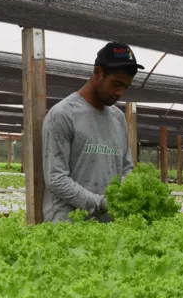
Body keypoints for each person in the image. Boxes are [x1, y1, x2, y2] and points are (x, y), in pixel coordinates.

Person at [42, 42, 141, 222]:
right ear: (98, 73)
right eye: (116, 84)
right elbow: (56, 178)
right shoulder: (63, 115)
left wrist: (130, 193)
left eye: (126, 87)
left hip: (108, 226)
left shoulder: (118, 118)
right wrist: (101, 204)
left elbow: (126, 168)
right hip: (69, 227)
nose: (120, 92)